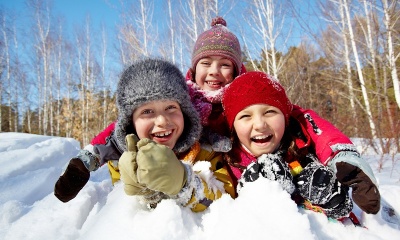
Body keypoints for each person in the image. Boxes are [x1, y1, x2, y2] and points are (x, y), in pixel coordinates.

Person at [56, 58, 235, 211]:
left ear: (185, 112)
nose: (162, 121)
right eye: (147, 111)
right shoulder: (121, 155)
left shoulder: (203, 150)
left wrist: (184, 183)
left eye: (171, 108)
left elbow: (223, 196)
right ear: (130, 122)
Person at [221, 71, 381, 219]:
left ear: (285, 117)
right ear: (233, 126)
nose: (260, 125)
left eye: (269, 112)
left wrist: (334, 201)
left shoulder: (301, 151)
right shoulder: (226, 163)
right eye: (245, 116)